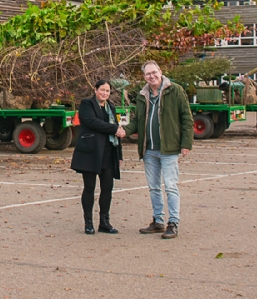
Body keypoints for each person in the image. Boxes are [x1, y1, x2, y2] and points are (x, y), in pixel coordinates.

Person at [124, 61, 193, 239]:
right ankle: (158, 221)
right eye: (148, 74)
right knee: (154, 187)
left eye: (154, 73)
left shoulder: (175, 90)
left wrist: (186, 143)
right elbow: (137, 120)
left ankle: (173, 222)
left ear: (161, 72)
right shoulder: (142, 95)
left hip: (169, 149)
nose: (151, 76)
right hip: (149, 150)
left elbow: (186, 117)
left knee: (170, 186)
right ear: (144, 76)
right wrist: (124, 131)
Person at [70, 79, 125, 234]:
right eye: (102, 90)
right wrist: (114, 129)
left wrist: (119, 154)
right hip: (90, 152)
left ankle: (104, 222)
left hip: (108, 153)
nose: (105, 93)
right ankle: (88, 222)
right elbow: (92, 122)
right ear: (95, 90)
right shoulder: (87, 104)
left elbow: (117, 132)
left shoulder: (111, 107)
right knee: (89, 187)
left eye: (107, 91)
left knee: (107, 188)